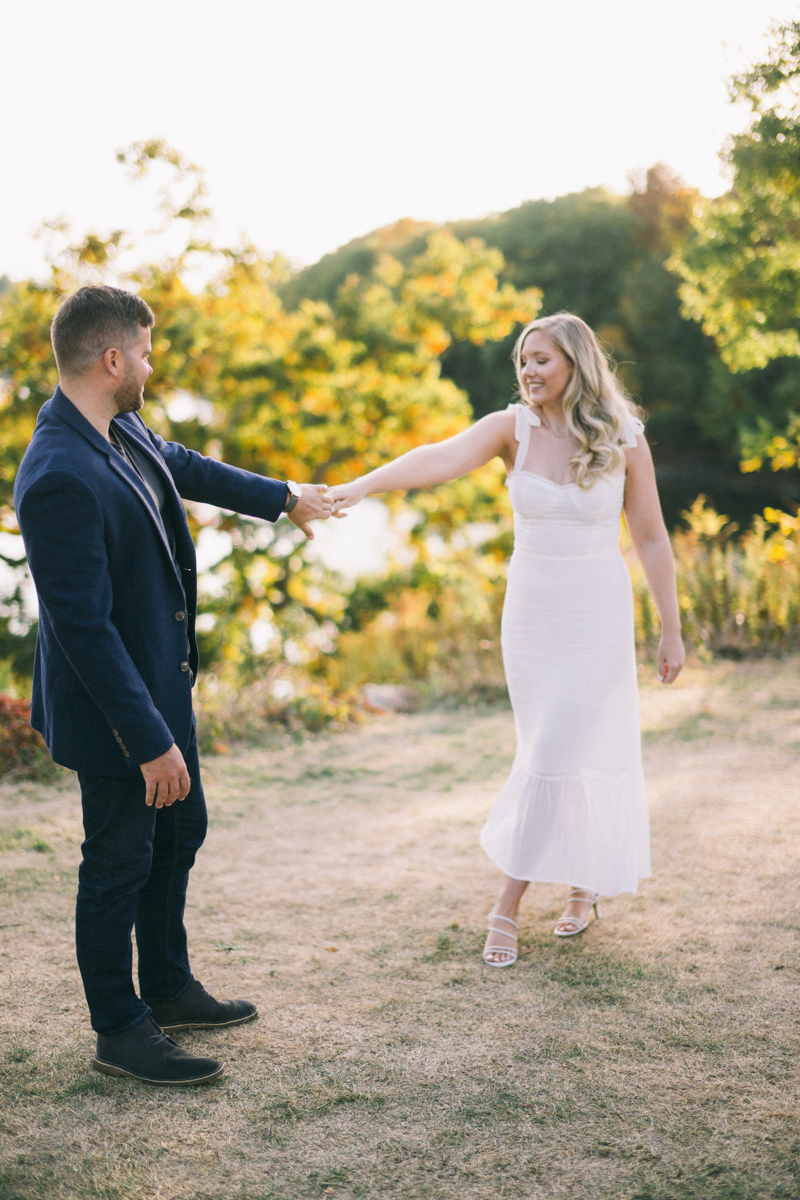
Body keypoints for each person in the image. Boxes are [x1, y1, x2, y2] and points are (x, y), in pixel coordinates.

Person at [14, 285, 333, 1083]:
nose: (153, 367)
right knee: (117, 859)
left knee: (178, 835)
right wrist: (149, 740)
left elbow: (182, 465)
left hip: (163, 683)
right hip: (118, 712)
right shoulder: (57, 472)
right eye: (147, 354)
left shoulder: (118, 425)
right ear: (112, 359)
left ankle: (168, 986)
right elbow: (82, 630)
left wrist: (284, 497)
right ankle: (120, 1031)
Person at [328, 312, 685, 967]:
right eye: (523, 359)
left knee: (566, 745)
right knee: (549, 744)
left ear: (576, 362)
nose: (528, 370)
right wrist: (363, 485)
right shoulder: (510, 429)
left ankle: (507, 906)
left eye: (541, 359)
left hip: (597, 608)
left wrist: (671, 627)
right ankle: (580, 887)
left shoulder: (624, 436)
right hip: (532, 614)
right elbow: (436, 459)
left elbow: (652, 535)